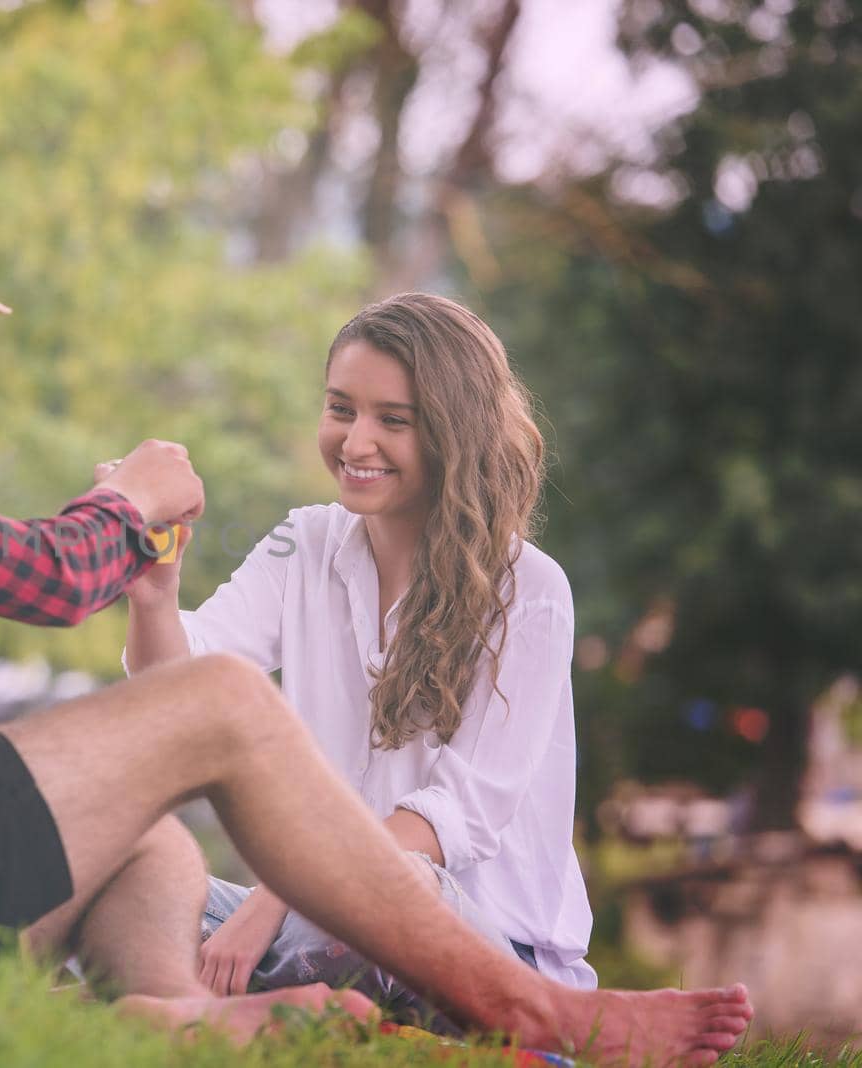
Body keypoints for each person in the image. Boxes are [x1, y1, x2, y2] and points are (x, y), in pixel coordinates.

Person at [0, 164, 753, 1062]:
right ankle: (536, 1013)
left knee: (146, 832)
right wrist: (133, 503)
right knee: (220, 703)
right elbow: (41, 579)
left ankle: (175, 1022)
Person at [119, 293, 595, 1022]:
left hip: (483, 946)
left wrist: (277, 899)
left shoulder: (529, 591)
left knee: (397, 893)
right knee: (125, 864)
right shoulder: (305, 542)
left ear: (452, 433)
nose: (355, 441)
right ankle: (241, 1005)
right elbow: (182, 689)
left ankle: (190, 996)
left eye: (392, 420)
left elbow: (449, 824)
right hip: (314, 915)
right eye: (341, 408)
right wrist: (156, 591)